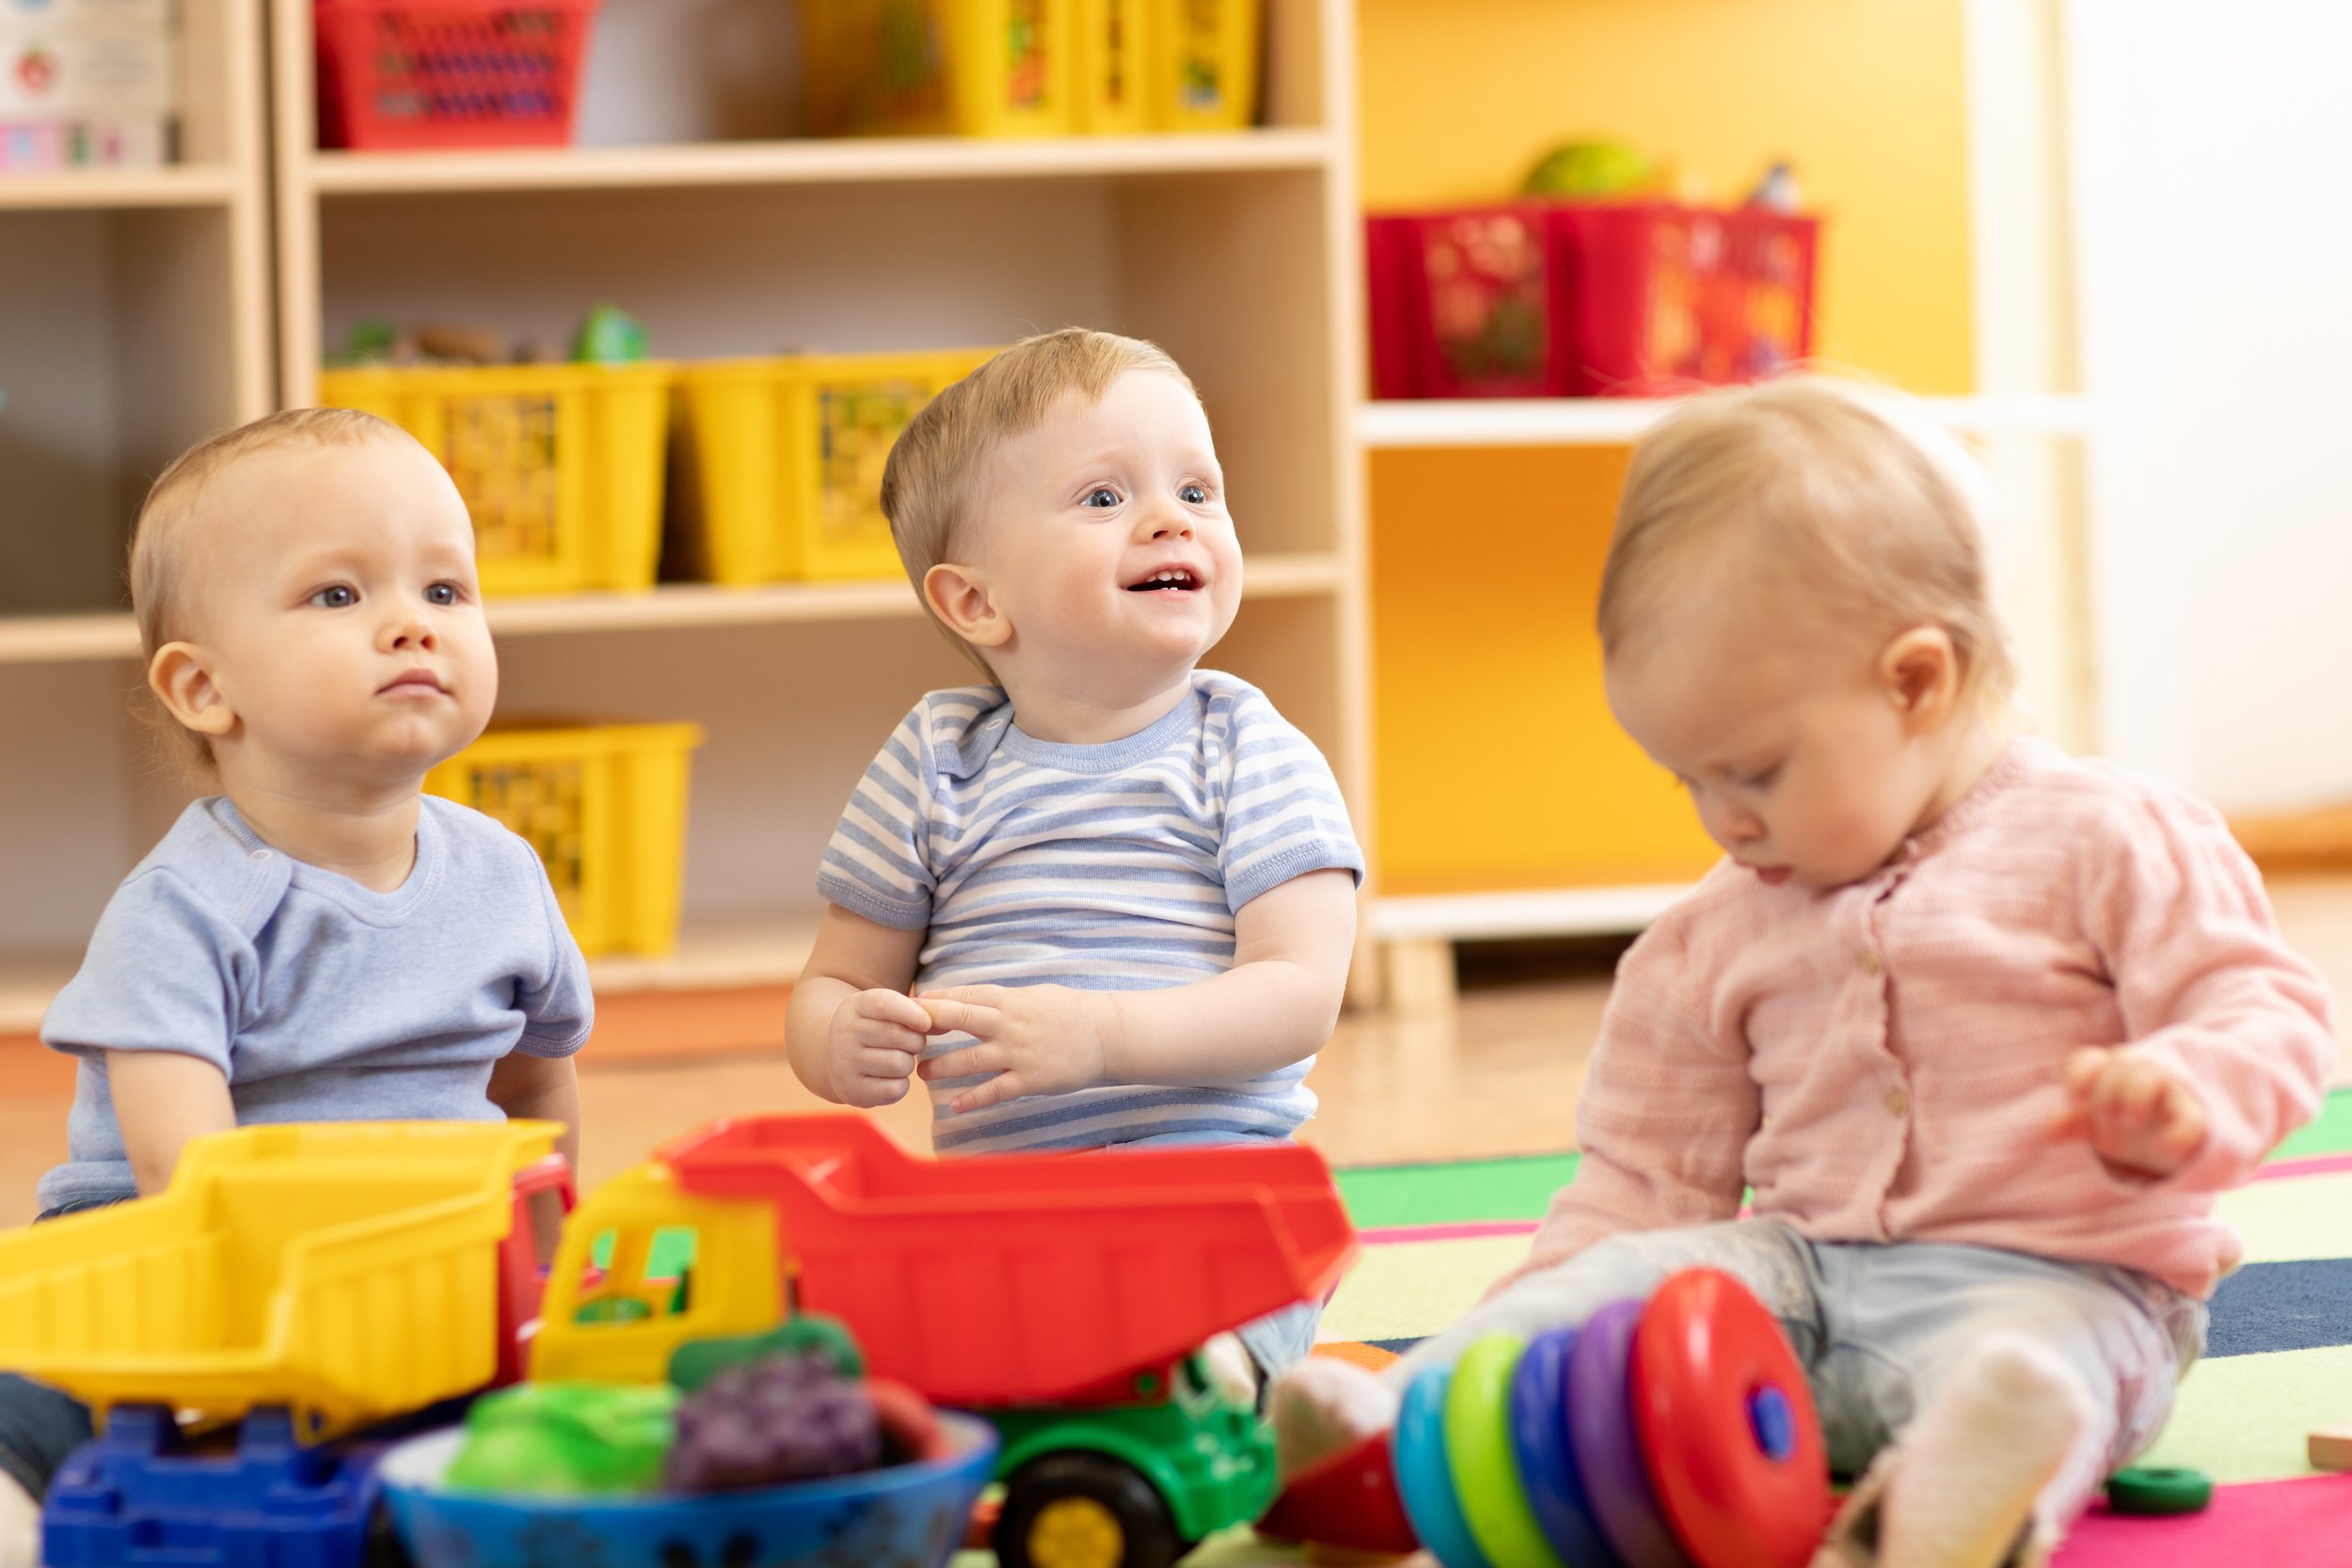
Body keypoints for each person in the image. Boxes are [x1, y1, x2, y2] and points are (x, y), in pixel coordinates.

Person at [1270, 378, 2334, 1568]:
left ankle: (1936, 1506)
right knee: (1625, 1279)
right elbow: (1638, 1181)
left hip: (2065, 1280)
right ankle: (1397, 1428)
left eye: (1757, 770)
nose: (1725, 820)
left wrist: (2188, 1088)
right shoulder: (1706, 937)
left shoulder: (2110, 836)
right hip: (1799, 1277)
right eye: (1690, 781)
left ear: (1915, 680)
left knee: (2036, 1368)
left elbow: (2263, 1006)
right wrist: (1534, 1339)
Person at [0, 408, 592, 1565]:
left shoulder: (503, 871)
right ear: (204, 687)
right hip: (179, 1244)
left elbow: (537, 1078)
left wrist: (546, 1251)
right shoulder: (189, 904)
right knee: (63, 1383)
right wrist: (309, 1298)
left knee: (535, 1413)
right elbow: (187, 1169)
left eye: (445, 591)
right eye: (338, 596)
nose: (411, 627)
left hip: (415, 1248)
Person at [785, 328, 1363, 1396]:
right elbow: (835, 978)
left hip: (1217, 1192)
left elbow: (1300, 993)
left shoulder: (1251, 747)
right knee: (859, 1310)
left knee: (1252, 1280)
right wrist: (838, 1041)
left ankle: (1221, 1379)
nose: (1169, 516)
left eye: (1198, 486)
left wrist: (1100, 1037)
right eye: (1104, 497)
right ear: (975, 602)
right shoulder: (933, 761)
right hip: (1006, 1207)